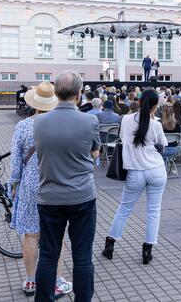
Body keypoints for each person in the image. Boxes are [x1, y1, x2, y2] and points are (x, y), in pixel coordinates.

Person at [33, 71, 100, 302]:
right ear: (79, 93)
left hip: (49, 197)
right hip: (81, 196)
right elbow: (94, 150)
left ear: (55, 93)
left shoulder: (39, 121)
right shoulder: (90, 120)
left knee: (48, 256)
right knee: (82, 256)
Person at [8, 82, 73, 298]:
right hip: (55, 182)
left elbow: (16, 161)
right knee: (56, 235)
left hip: (29, 184)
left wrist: (14, 184)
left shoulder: (24, 126)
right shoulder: (62, 125)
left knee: (31, 234)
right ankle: (55, 281)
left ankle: (30, 280)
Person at [102, 88, 168, 265]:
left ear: (139, 102)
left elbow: (123, 139)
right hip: (156, 170)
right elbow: (163, 144)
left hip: (135, 171)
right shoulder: (156, 124)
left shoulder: (126, 120)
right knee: (154, 211)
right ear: (155, 106)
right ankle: (147, 249)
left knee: (124, 208)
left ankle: (110, 242)